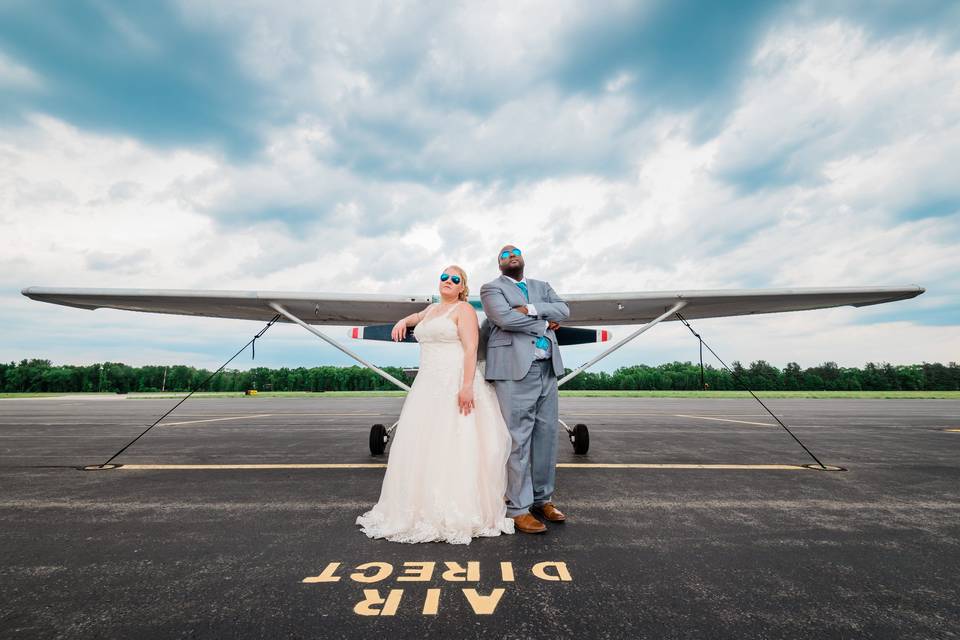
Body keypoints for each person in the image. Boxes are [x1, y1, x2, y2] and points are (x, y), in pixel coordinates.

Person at [356, 265, 515, 544]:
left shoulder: (464, 310)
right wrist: (402, 321)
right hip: (427, 385)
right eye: (444, 277)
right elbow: (417, 316)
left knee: (454, 441)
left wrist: (466, 386)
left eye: (456, 279)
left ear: (462, 288)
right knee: (422, 444)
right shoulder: (431, 311)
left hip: (454, 380)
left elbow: (469, 349)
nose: (449, 281)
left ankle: (456, 510)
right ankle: (418, 507)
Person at [480, 245, 570, 534]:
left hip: (548, 370)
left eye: (514, 252)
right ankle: (518, 507)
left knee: (547, 436)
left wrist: (531, 309)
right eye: (503, 255)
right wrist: (544, 323)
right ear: (499, 265)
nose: (510, 256)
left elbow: (564, 310)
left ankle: (542, 499)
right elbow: (503, 319)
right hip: (514, 371)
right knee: (517, 439)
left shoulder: (542, 286)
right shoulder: (491, 289)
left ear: (523, 258)